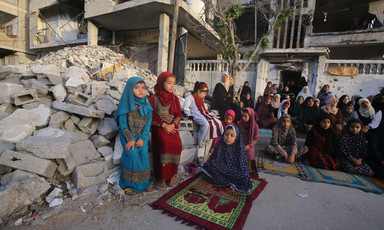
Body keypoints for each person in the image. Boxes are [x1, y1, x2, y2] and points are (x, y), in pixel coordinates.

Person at [115, 77, 153, 195]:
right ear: (130, 90)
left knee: (143, 155)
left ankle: (145, 183)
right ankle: (129, 186)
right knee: (131, 154)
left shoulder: (147, 107)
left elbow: (148, 125)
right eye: (137, 88)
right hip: (127, 137)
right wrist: (130, 140)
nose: (141, 90)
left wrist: (142, 138)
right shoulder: (125, 105)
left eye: (143, 88)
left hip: (142, 138)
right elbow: (123, 125)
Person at [149, 72, 182, 190]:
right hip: (159, 127)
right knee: (164, 144)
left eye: (173, 83)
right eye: (169, 83)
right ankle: (161, 178)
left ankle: (172, 174)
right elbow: (151, 116)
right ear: (161, 83)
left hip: (172, 128)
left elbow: (178, 114)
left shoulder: (175, 98)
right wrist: (163, 125)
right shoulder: (154, 98)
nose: (172, 86)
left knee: (178, 144)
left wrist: (173, 125)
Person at [202, 125, 254, 193]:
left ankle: (228, 183)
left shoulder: (240, 148)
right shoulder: (219, 145)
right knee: (208, 167)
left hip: (234, 170)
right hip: (221, 168)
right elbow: (214, 160)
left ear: (236, 137)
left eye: (232, 135)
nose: (228, 137)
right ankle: (230, 184)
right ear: (223, 134)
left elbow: (243, 165)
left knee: (244, 177)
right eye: (226, 134)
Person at [183, 82, 223, 166]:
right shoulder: (190, 97)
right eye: (204, 93)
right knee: (206, 124)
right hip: (196, 114)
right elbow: (185, 107)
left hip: (204, 114)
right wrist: (189, 115)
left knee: (218, 123)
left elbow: (204, 109)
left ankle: (214, 141)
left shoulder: (201, 99)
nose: (205, 95)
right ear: (198, 91)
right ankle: (201, 141)